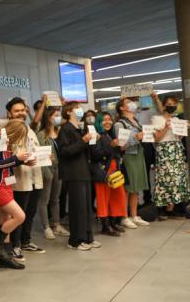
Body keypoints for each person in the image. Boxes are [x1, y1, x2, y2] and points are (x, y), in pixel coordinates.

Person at [0, 119, 32, 270]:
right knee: (20, 216)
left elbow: (8, 163)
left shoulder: (7, 141)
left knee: (7, 218)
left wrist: (23, 161)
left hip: (7, 183)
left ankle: (5, 256)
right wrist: (18, 159)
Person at [57, 101, 100, 251]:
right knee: (77, 208)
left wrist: (93, 140)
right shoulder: (65, 129)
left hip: (84, 172)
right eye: (77, 108)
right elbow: (64, 151)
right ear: (68, 112)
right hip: (73, 173)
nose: (80, 110)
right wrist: (83, 141)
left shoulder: (80, 129)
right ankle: (75, 240)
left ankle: (88, 237)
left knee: (87, 208)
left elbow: (86, 150)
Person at [6, 97, 45, 261]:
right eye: (17, 110)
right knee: (18, 214)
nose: (21, 113)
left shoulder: (29, 129)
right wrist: (21, 160)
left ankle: (26, 241)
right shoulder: (6, 130)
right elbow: (5, 156)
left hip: (35, 176)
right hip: (19, 178)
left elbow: (33, 149)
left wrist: (44, 155)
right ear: (9, 113)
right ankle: (15, 245)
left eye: (23, 110)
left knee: (30, 212)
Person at [151, 95, 190, 218]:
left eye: (174, 104)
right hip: (164, 150)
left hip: (176, 149)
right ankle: (162, 208)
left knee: (178, 179)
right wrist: (165, 127)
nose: (172, 106)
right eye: (169, 104)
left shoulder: (177, 120)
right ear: (163, 105)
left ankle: (171, 208)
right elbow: (156, 139)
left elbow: (179, 137)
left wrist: (184, 130)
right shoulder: (157, 119)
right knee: (165, 180)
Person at [114, 98, 150, 228]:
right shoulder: (120, 124)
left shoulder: (136, 121)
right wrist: (136, 138)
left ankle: (134, 215)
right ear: (122, 108)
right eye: (128, 103)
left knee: (136, 188)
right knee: (128, 188)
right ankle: (124, 217)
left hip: (138, 154)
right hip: (128, 156)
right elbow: (122, 146)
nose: (132, 104)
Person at [90, 112, 126, 236]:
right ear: (98, 121)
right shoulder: (96, 136)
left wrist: (121, 149)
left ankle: (114, 222)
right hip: (103, 172)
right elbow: (95, 155)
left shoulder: (109, 134)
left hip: (115, 171)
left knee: (116, 197)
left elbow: (115, 154)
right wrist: (111, 146)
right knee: (103, 198)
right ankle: (105, 226)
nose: (108, 122)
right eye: (104, 120)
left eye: (109, 119)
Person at [36, 107, 69, 240]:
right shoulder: (41, 134)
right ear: (49, 117)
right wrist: (47, 173)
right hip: (47, 169)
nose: (58, 118)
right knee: (44, 200)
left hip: (59, 168)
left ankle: (56, 224)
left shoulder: (60, 132)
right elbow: (39, 155)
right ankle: (46, 227)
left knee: (56, 199)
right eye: (56, 115)